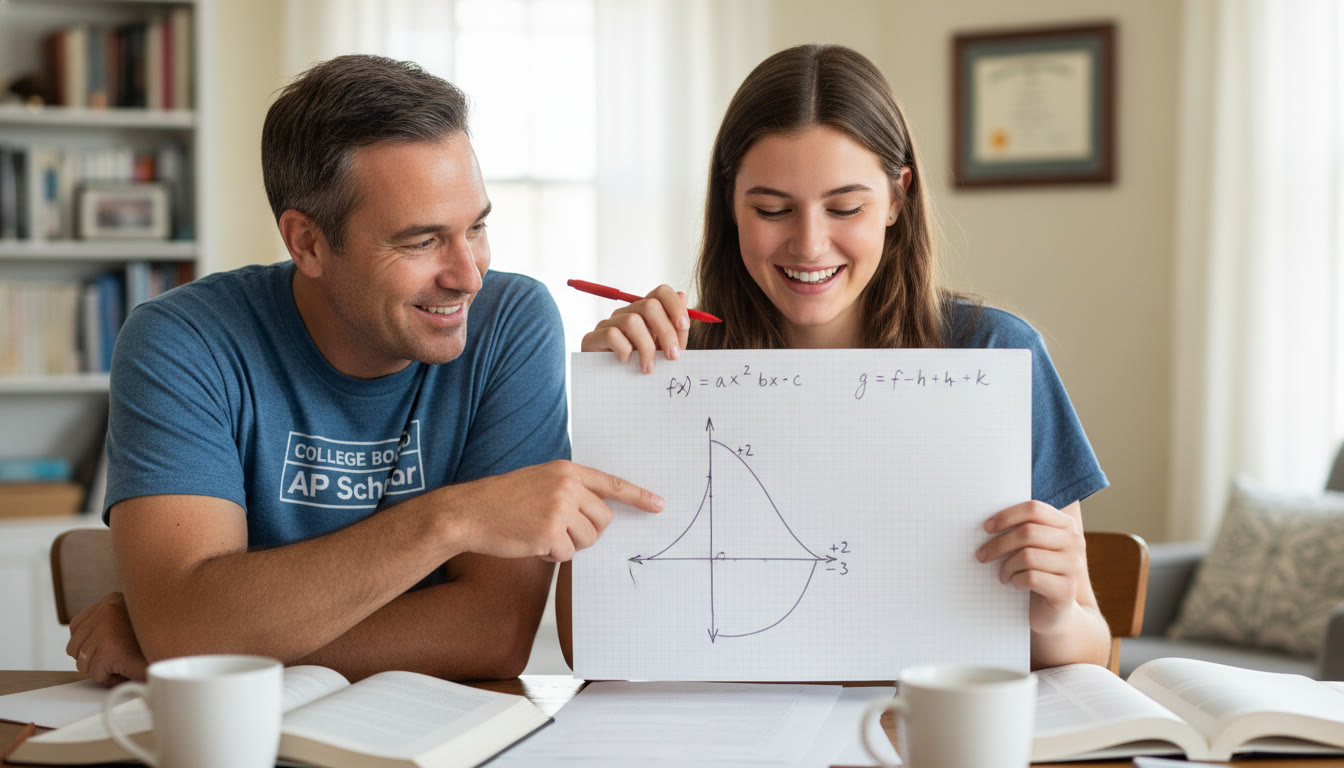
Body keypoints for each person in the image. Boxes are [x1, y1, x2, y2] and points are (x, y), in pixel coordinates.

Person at [65, 54, 663, 686]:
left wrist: (205, 647)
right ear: (308, 243)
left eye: (477, 227)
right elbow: (189, 630)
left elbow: (495, 635)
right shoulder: (183, 342)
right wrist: (452, 518)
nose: (469, 275)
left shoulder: (510, 321)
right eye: (421, 241)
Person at [559, 43, 1110, 670]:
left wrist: (1055, 613)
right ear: (729, 202)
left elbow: (1094, 650)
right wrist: (615, 411)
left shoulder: (993, 352)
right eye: (771, 210)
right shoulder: (674, 362)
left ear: (899, 198)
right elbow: (588, 646)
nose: (810, 244)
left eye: (845, 208)